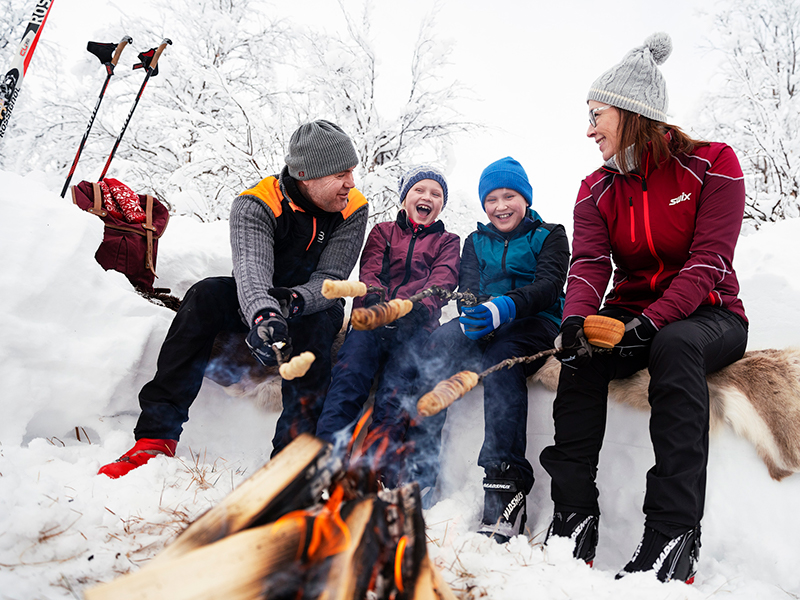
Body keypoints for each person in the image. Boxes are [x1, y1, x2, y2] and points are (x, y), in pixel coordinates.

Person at [539, 33, 749, 583]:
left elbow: (709, 262)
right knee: (581, 357)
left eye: (596, 115)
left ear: (632, 113)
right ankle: (572, 517)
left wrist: (653, 323)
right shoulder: (595, 189)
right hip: (631, 314)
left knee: (675, 345)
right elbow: (588, 263)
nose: (588, 130)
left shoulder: (714, 164)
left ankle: (672, 533)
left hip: (709, 313)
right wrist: (576, 321)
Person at [98, 120, 369, 479]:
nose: (351, 182)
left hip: (312, 303)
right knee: (205, 294)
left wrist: (291, 304)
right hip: (257, 296)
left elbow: (330, 279)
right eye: (340, 174)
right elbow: (251, 270)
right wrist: (264, 315)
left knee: (318, 328)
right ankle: (155, 436)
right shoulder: (255, 203)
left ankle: (290, 460)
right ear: (307, 176)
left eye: (352, 171)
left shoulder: (353, 206)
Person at [405, 157, 569, 541]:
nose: (500, 206)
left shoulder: (550, 235)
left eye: (509, 196)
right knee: (435, 348)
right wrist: (473, 312)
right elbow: (469, 288)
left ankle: (505, 484)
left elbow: (549, 285)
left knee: (501, 360)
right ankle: (420, 468)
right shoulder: (476, 242)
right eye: (491, 199)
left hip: (536, 322)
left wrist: (506, 306)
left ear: (524, 198)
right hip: (488, 322)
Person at [315, 166, 460, 485]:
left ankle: (373, 472)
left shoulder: (448, 241)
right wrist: (382, 306)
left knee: (396, 391)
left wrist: (416, 307)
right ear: (405, 197)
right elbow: (369, 274)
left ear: (441, 205)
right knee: (349, 378)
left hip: (415, 327)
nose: (427, 197)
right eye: (420, 190)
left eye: (436, 194)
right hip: (371, 320)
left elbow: (443, 279)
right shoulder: (382, 232)